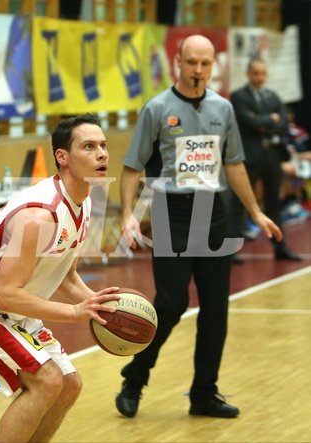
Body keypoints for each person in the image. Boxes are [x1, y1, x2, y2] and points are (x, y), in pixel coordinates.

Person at [0, 114, 121, 442]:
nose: (102, 154)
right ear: (63, 157)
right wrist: (75, 313)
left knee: (67, 385)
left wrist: (93, 304)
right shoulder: (39, 215)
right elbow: (5, 294)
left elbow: (65, 276)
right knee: (46, 381)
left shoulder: (82, 202)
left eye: (103, 146)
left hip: (3, 307)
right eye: (89, 147)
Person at [116, 35, 282, 419]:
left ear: (213, 66)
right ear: (177, 61)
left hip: (214, 214)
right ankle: (135, 377)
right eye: (191, 62)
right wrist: (127, 215)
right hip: (170, 213)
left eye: (205, 64)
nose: (198, 70)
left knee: (215, 310)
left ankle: (204, 394)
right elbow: (131, 167)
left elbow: (235, 164)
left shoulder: (223, 109)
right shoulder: (156, 109)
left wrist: (255, 212)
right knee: (171, 304)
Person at [228, 57, 301, 262]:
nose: (260, 77)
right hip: (250, 157)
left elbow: (284, 121)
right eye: (256, 73)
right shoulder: (239, 96)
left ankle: (280, 247)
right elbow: (249, 121)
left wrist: (267, 122)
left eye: (263, 73)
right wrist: (271, 119)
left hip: (271, 155)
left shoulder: (272, 96)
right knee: (239, 201)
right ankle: (230, 249)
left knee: (273, 202)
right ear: (248, 73)